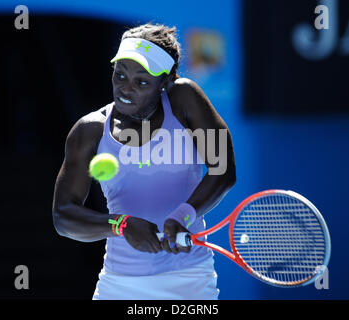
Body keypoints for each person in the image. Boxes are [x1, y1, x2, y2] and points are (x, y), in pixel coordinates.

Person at [52, 23, 236, 300]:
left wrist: (182, 215)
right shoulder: (89, 130)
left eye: (141, 82)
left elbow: (223, 170)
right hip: (119, 284)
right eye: (120, 75)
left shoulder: (185, 99)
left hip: (190, 280)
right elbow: (63, 217)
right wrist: (122, 224)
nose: (126, 89)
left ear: (166, 81)